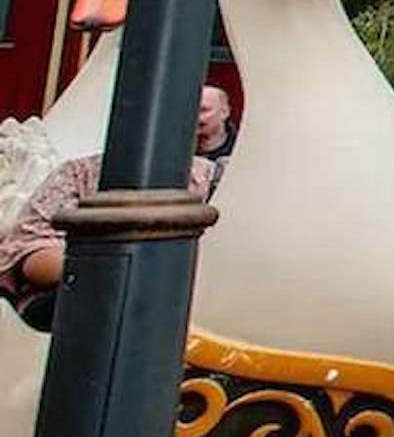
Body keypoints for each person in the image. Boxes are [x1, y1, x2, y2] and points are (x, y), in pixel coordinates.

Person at [0, 84, 229, 331]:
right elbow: (31, 255)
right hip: (84, 301)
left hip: (193, 313)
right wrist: (116, 270)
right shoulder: (77, 174)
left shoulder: (215, 178)